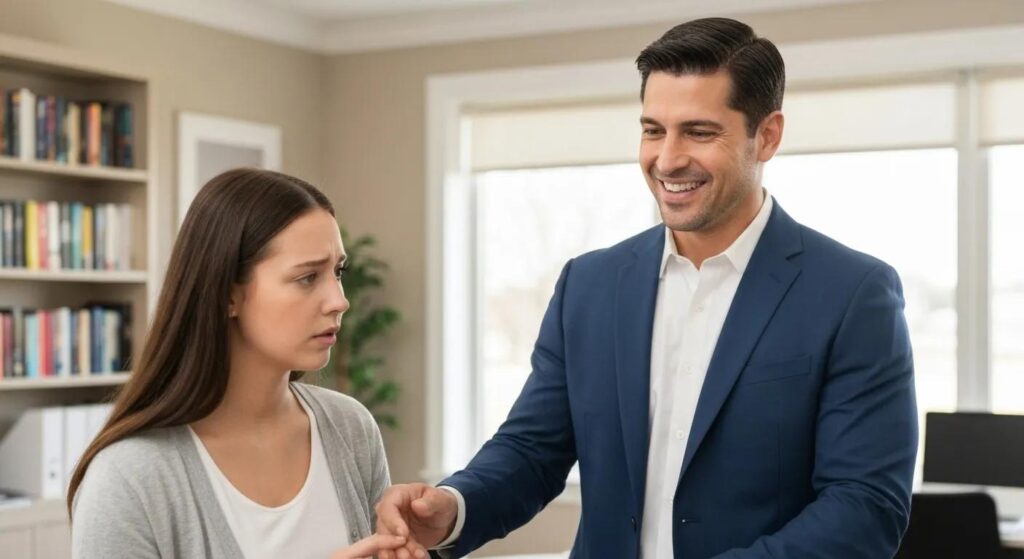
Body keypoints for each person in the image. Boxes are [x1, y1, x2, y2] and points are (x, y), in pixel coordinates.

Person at [375, 17, 918, 559]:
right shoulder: (588, 285)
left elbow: (864, 507)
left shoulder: (853, 294)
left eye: (699, 132)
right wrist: (451, 506)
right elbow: (532, 450)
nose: (667, 158)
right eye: (653, 130)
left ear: (767, 135)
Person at [69, 168, 409, 559]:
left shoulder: (350, 429)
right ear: (228, 295)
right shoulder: (129, 478)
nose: (339, 300)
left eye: (338, 272)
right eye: (307, 277)